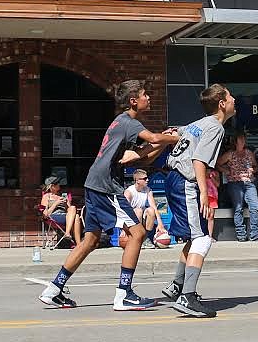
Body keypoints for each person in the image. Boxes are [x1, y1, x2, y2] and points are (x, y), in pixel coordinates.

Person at [39, 80, 180, 311]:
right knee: (138, 233)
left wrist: (163, 141)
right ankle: (124, 294)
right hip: (106, 186)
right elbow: (152, 139)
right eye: (145, 95)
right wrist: (175, 138)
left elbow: (141, 157)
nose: (149, 99)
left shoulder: (121, 123)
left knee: (90, 240)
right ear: (134, 100)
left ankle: (54, 289)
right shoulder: (129, 122)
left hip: (94, 184)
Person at [161, 84, 235, 318]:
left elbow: (172, 133)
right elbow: (199, 160)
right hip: (186, 181)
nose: (234, 99)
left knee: (195, 237)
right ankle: (188, 297)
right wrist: (204, 191)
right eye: (230, 96)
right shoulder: (214, 127)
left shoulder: (197, 124)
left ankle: (177, 286)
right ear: (222, 103)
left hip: (174, 178)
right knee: (202, 240)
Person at [218, 132, 258, 242]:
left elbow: (256, 166)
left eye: (243, 139)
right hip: (235, 182)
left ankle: (255, 234)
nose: (243, 142)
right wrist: (226, 171)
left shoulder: (249, 153)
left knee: (254, 206)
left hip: (249, 182)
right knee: (238, 208)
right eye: (240, 139)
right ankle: (241, 234)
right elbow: (217, 164)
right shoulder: (230, 154)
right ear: (235, 142)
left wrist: (254, 170)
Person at [123, 169, 167, 248]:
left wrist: (160, 224)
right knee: (138, 210)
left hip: (140, 220)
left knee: (151, 210)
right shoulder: (129, 192)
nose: (147, 180)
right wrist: (122, 229)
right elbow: (123, 211)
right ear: (137, 180)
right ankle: (137, 237)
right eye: (145, 178)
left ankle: (145, 238)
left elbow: (154, 207)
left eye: (147, 178)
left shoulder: (148, 190)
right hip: (129, 222)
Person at [43, 176, 83, 247]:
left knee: (73, 209)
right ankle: (78, 244)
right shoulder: (47, 196)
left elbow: (70, 210)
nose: (59, 185)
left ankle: (68, 234)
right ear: (52, 186)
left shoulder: (62, 195)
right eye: (57, 183)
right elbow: (45, 214)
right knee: (76, 217)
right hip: (53, 217)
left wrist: (66, 204)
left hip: (66, 217)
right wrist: (56, 203)